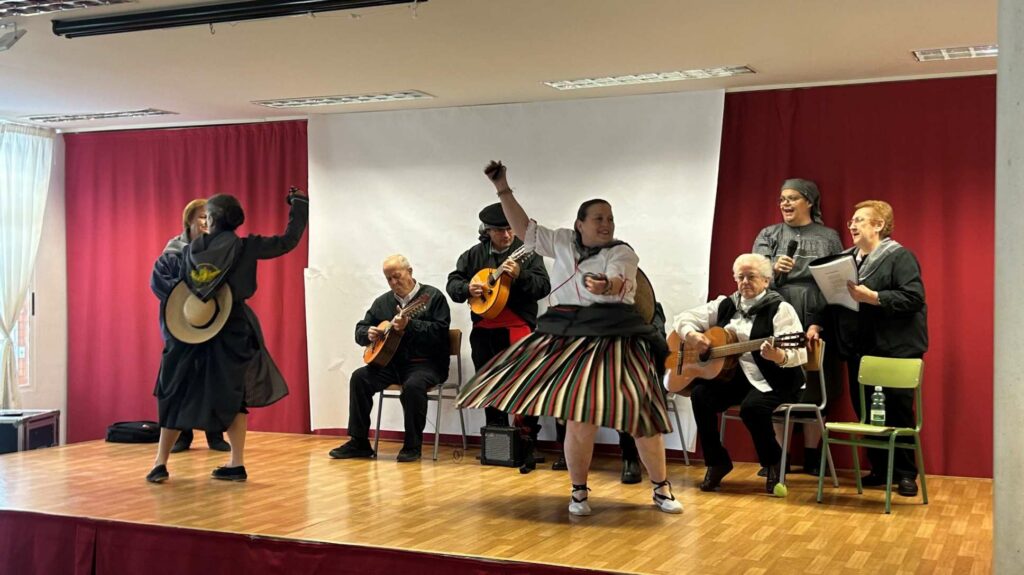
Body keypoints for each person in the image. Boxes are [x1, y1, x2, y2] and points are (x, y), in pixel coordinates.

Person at [458, 161, 682, 516]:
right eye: (599, 218)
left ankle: (661, 488)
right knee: (579, 420)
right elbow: (525, 230)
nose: (607, 224)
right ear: (580, 224)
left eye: (610, 218)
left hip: (617, 339)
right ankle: (579, 492)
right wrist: (502, 188)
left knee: (642, 418)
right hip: (571, 338)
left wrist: (605, 285)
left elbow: (619, 279)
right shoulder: (561, 240)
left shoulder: (622, 252)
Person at [147, 189, 309, 483]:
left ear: (210, 219)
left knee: (175, 391)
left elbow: (177, 293)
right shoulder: (247, 247)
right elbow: (288, 241)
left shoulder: (187, 252)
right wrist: (300, 206)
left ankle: (160, 462)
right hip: (232, 326)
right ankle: (236, 463)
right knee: (233, 396)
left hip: (191, 329)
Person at [673, 253, 808, 495]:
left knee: (753, 409)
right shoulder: (726, 304)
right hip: (735, 377)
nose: (745, 282)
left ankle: (774, 462)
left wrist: (779, 356)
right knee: (700, 395)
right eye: (740, 277)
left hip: (776, 378)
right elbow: (682, 318)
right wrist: (692, 335)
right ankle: (717, 462)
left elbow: (799, 352)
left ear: (766, 281)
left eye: (751, 277)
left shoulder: (780, 308)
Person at [825, 200, 927, 497]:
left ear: (878, 225)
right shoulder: (846, 260)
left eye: (859, 220)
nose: (852, 226)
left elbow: (914, 298)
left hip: (897, 348)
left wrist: (876, 297)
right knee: (867, 410)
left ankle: (906, 474)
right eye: (851, 222)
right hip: (861, 347)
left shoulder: (900, 257)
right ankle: (880, 470)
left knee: (897, 410)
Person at [752, 178, 843, 474]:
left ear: (810, 201)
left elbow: (838, 278)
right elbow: (752, 279)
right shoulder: (769, 234)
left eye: (792, 198)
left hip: (818, 311)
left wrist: (822, 318)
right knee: (778, 379)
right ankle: (780, 457)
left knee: (819, 380)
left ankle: (814, 456)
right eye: (781, 199)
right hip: (778, 309)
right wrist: (773, 272)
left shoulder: (829, 237)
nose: (785, 204)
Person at [446, 203, 551, 445]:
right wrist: (466, 288)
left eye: (510, 229)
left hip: (518, 328)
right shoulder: (473, 255)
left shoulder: (528, 252)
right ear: (488, 231)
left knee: (523, 382)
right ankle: (497, 440)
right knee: (487, 384)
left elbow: (542, 287)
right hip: (484, 330)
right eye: (499, 230)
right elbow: (453, 284)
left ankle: (526, 441)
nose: (506, 235)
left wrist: (520, 275)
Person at [329, 255, 451, 463]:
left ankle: (412, 446)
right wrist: (367, 332)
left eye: (397, 276)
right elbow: (360, 329)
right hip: (391, 365)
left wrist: (410, 326)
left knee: (413, 386)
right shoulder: (383, 302)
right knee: (359, 378)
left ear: (410, 272)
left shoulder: (431, 297)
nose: (394, 283)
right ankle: (359, 442)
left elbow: (440, 333)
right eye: (389, 279)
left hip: (426, 364)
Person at [150, 198, 231, 454]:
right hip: (181, 325)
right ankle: (181, 435)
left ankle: (214, 434)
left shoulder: (219, 251)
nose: (206, 222)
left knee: (212, 377)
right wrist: (191, 298)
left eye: (211, 217)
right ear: (189, 220)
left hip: (212, 324)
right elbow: (162, 286)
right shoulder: (173, 252)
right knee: (178, 380)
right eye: (201, 217)